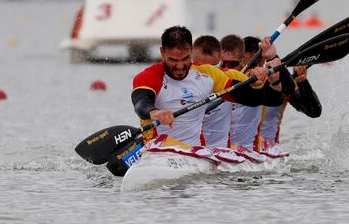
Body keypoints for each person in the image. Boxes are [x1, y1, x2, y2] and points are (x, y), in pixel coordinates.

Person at [131, 26, 281, 146]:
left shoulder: (207, 74)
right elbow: (140, 103)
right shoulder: (149, 76)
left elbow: (253, 99)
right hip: (156, 150)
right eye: (173, 60)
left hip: (195, 154)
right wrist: (154, 112)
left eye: (185, 58)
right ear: (162, 52)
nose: (180, 66)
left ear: (191, 50)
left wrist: (257, 84)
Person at [241, 36, 322, 156]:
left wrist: (302, 82)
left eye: (250, 64)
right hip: (235, 148)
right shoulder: (232, 76)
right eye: (240, 63)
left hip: (266, 152)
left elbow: (313, 111)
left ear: (262, 61)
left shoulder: (281, 80)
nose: (246, 69)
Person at [220, 35, 282, 150]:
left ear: (242, 61)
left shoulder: (254, 78)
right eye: (223, 64)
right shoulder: (215, 76)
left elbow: (275, 100)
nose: (227, 68)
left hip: (248, 151)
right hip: (219, 149)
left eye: (232, 64)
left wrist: (275, 79)